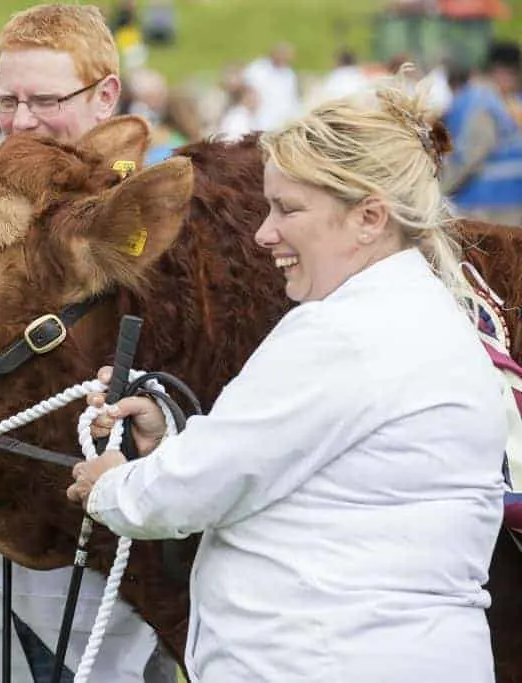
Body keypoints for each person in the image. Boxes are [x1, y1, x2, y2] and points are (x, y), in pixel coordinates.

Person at [68, 77, 507, 682]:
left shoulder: (344, 334)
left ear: (369, 218)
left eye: (289, 209)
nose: (264, 232)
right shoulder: (427, 317)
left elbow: (186, 492)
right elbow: (309, 477)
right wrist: (170, 440)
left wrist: (110, 486)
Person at [0, 7, 176, 682]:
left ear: (106, 96)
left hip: (108, 553)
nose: (21, 121)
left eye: (44, 100)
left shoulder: (157, 221)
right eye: (7, 99)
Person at [441, 41, 522, 225]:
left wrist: (441, 191)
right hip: (497, 203)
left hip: (483, 205)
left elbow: (469, 155)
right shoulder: (503, 102)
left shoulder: (477, 100)